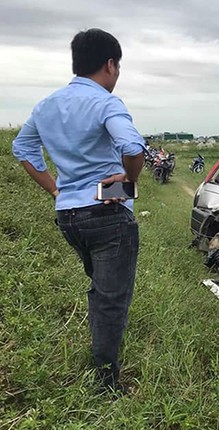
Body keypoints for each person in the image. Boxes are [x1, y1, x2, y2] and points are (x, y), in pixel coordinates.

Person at [12, 29, 145, 394]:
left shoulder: (46, 105)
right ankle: (106, 385)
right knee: (111, 300)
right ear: (110, 64)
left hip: (69, 216)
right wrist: (127, 183)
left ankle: (105, 346)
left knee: (102, 290)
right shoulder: (105, 102)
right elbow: (133, 146)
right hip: (107, 214)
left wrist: (56, 188)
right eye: (118, 68)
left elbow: (22, 149)